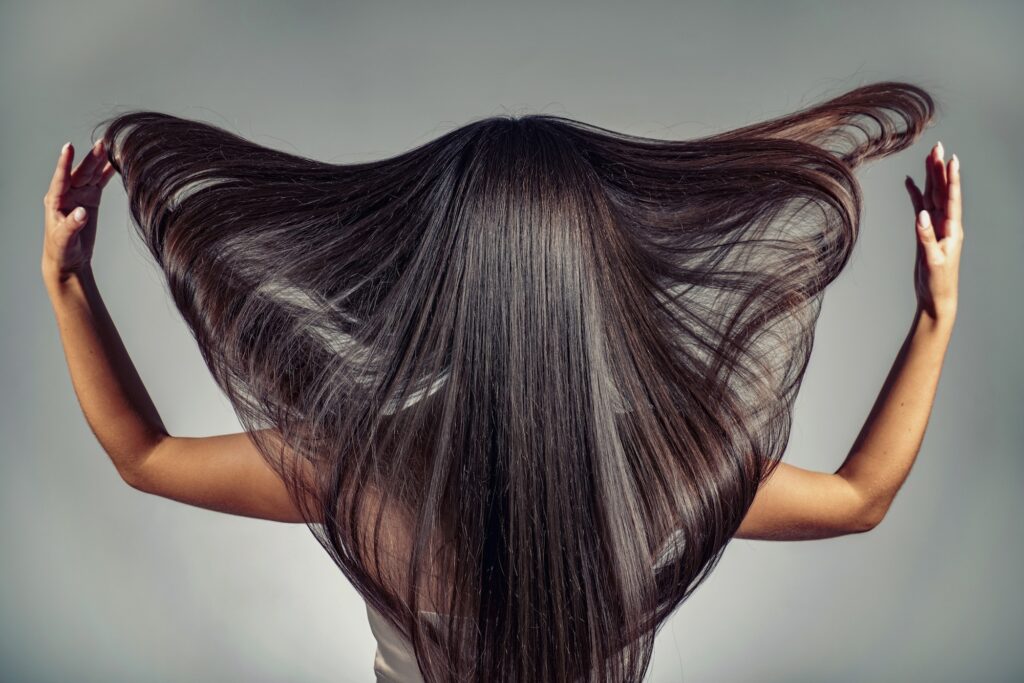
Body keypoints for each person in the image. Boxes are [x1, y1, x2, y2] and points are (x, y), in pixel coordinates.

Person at [41, 81, 961, 682]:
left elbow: (144, 453)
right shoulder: (665, 463)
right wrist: (934, 314)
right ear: (603, 280)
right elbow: (858, 495)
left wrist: (70, 281)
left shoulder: (366, 465)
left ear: (438, 280)